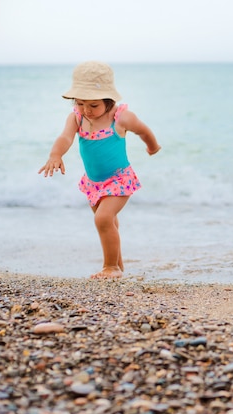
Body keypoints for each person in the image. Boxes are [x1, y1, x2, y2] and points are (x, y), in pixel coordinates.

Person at [39, 61, 161, 279]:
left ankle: (110, 267)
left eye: (93, 105)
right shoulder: (77, 117)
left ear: (109, 100)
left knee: (103, 219)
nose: (87, 110)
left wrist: (152, 146)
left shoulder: (121, 117)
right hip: (93, 182)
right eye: (80, 103)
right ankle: (118, 269)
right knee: (109, 223)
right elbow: (65, 137)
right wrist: (55, 155)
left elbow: (143, 130)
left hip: (119, 179)